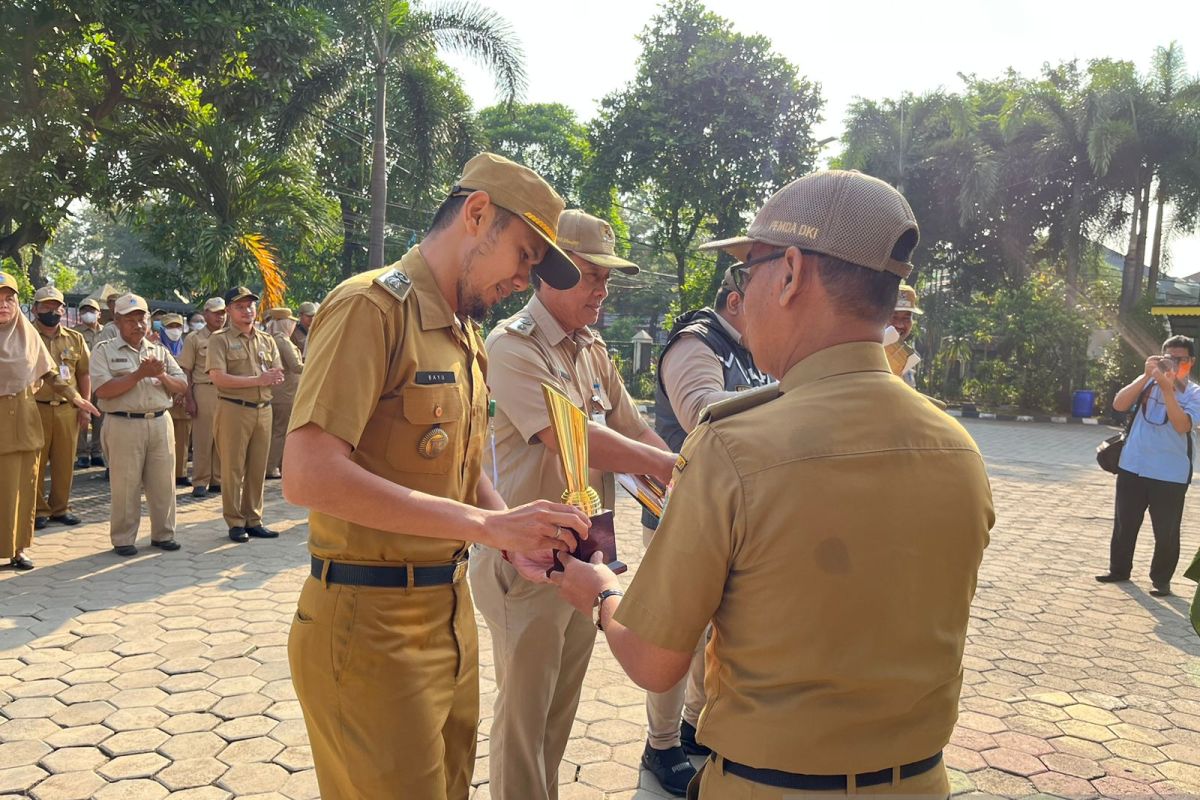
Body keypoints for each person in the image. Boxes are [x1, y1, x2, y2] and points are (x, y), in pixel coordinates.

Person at [552, 170, 995, 799]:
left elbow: (655, 660)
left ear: (788, 273)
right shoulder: (957, 448)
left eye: (746, 271)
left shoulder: (736, 447)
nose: (740, 293)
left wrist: (601, 594)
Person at [283, 152, 595, 800]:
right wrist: (487, 523)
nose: (522, 279)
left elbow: (465, 468)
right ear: (476, 214)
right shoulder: (370, 309)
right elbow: (308, 474)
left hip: (445, 611)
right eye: (522, 255)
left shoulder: (465, 337)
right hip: (367, 621)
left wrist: (504, 533)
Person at [470, 209, 677, 800]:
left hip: (586, 561)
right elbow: (571, 436)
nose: (602, 290)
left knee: (557, 716)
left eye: (607, 278)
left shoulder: (592, 349)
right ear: (548, 275)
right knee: (522, 721)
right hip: (527, 560)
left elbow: (636, 432)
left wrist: (679, 473)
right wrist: (663, 466)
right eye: (591, 275)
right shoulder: (511, 347)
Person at [638, 268, 773, 793]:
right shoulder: (695, 344)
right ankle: (662, 743)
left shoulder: (752, 348)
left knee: (715, 635)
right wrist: (795, 399)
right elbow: (703, 413)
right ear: (737, 300)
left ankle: (693, 726)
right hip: (682, 515)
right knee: (678, 635)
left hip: (732, 516)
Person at [2, 272, 96, 569]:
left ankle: (18, 549)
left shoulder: (26, 335)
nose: (3, 305)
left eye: (8, 299)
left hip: (25, 422)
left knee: (25, 487)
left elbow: (51, 373)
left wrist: (76, 398)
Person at [1096, 335, 1200, 597]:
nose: (1175, 364)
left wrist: (1168, 389)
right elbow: (1119, 404)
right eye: (1169, 358)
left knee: (1166, 531)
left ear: (1192, 362)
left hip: (1170, 473)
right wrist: (1146, 376)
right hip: (1133, 465)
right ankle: (1119, 569)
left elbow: (1182, 425)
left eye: (1181, 359)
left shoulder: (1195, 394)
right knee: (1125, 523)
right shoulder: (1148, 382)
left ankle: (1161, 580)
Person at [90, 293, 187, 556]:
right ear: (117, 321)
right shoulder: (104, 351)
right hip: (123, 424)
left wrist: (161, 375)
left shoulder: (159, 351)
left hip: (159, 422)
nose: (137, 325)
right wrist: (138, 375)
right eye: (130, 319)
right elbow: (103, 390)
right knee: (125, 485)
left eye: (141, 318)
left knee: (163, 483)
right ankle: (123, 539)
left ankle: (163, 534)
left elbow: (182, 385)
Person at [207, 287, 283, 543]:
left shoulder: (266, 339)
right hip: (234, 409)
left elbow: (276, 368)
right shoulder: (220, 339)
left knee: (258, 468)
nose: (247, 310)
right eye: (240, 306)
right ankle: (235, 521)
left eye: (250, 306)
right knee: (233, 468)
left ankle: (254, 518)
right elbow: (218, 378)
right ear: (228, 310)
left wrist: (274, 376)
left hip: (263, 410)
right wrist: (258, 379)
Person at [31, 285, 92, 529]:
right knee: (35, 462)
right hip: (36, 407)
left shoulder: (75, 338)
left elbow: (84, 373)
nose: (51, 311)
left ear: (63, 309)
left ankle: (60, 507)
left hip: (68, 408)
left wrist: (84, 405)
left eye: (56, 306)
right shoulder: (27, 336)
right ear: (35, 309)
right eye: (46, 306)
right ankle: (37, 510)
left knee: (65, 461)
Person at [178, 297, 226, 498]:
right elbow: (186, 370)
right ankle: (200, 481)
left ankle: (218, 480)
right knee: (203, 438)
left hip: (227, 391)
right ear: (206, 314)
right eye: (215, 312)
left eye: (223, 312)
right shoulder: (194, 338)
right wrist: (189, 398)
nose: (220, 316)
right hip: (204, 390)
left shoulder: (230, 337)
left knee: (223, 438)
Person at [264, 308, 303, 480]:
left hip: (278, 393)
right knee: (281, 431)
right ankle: (272, 466)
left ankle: (275, 464)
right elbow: (296, 366)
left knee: (276, 431)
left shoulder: (271, 339)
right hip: (286, 393)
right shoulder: (283, 341)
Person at [159, 314, 192, 488]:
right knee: (163, 440)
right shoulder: (156, 348)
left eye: (178, 326)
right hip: (163, 399)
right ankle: (165, 474)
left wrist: (182, 393)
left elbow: (189, 371)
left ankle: (181, 473)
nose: (175, 330)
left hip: (183, 398)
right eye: (170, 326)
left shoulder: (186, 346)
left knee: (183, 439)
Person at [74, 297, 106, 469]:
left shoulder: (106, 332)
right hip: (82, 380)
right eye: (85, 310)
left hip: (101, 380)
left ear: (99, 314)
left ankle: (97, 451)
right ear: (80, 314)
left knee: (100, 417)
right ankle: (82, 453)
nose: (88, 314)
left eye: (92, 311)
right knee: (83, 416)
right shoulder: (75, 333)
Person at [885, 282, 922, 386]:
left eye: (906, 318)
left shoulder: (906, 356)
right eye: (894, 316)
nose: (900, 325)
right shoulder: (868, 352)